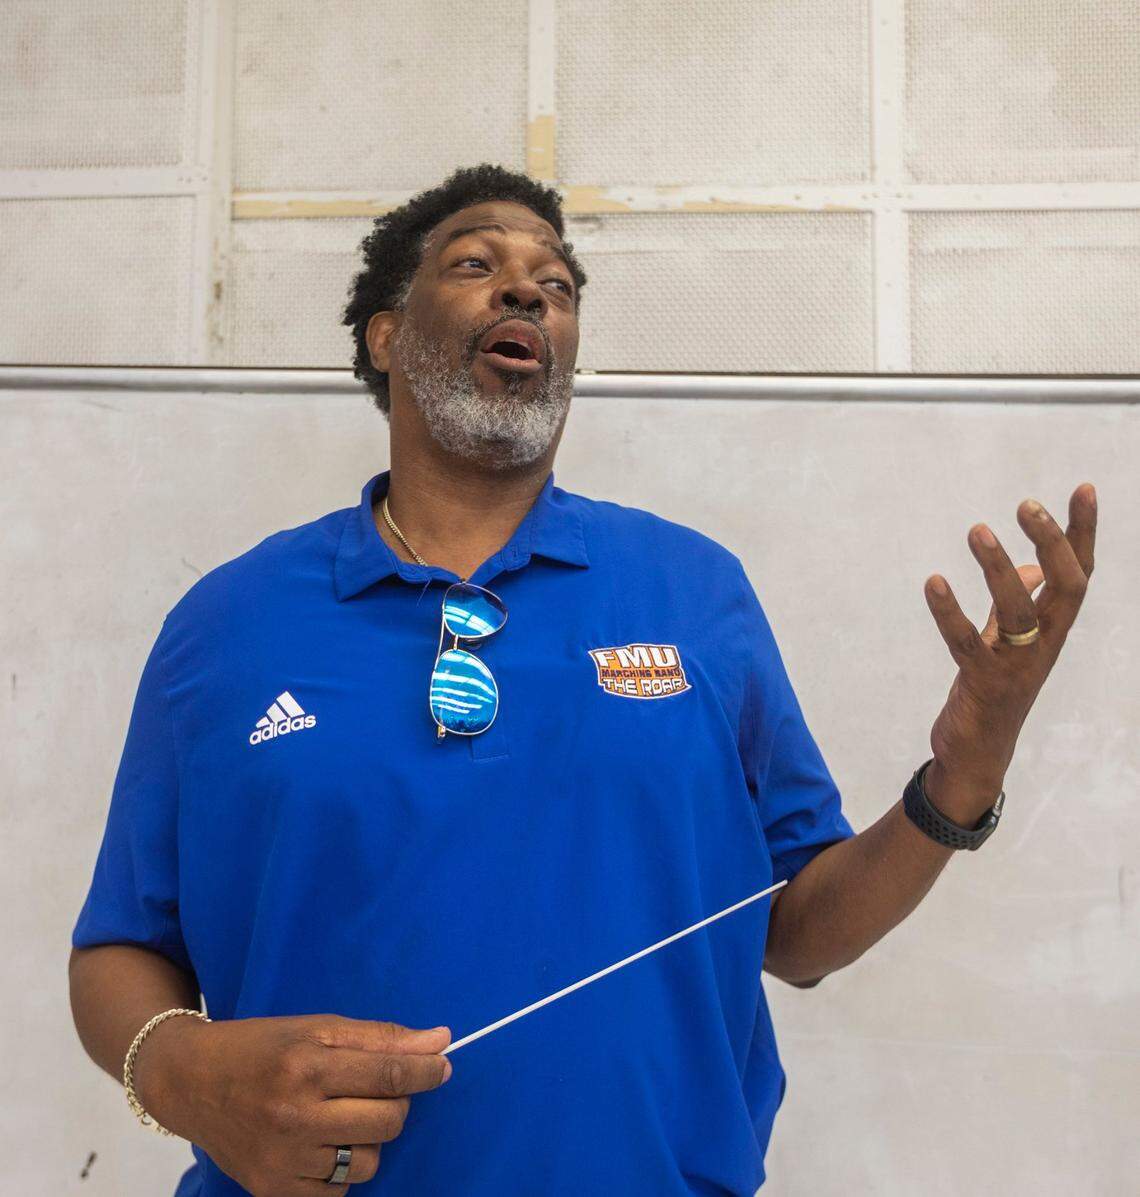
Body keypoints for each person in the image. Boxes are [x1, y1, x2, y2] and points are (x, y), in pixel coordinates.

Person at [69, 164, 1097, 1197]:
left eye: (556, 285)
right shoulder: (227, 625)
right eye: (477, 264)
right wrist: (186, 1076)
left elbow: (798, 935)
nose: (526, 291)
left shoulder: (696, 591)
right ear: (385, 336)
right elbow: (117, 950)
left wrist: (960, 776)